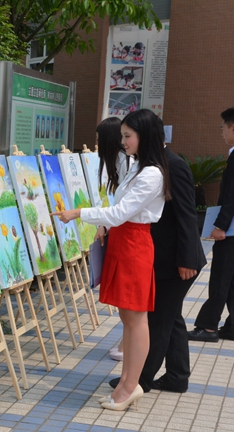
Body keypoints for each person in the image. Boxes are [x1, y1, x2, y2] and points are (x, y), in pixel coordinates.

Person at [53, 109, 169, 411]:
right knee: (128, 318)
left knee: (136, 318)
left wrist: (78, 213)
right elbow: (119, 211)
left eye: (128, 136)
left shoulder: (152, 173)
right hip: (124, 242)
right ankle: (125, 383)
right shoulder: (137, 166)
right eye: (122, 136)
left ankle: (131, 386)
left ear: (144, 136)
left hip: (134, 245)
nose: (123, 142)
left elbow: (120, 213)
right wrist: (103, 224)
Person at [110, 128, 207, 393]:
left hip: (176, 261)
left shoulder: (172, 165)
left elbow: (187, 214)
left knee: (159, 320)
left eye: (128, 136)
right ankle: (177, 376)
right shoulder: (148, 164)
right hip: (160, 257)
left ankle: (139, 381)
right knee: (171, 317)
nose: (124, 142)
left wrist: (187, 259)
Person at [188, 106, 234, 343]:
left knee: (220, 277)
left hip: (232, 230)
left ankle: (208, 327)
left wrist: (221, 227)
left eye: (223, 128)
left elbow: (232, 197)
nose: (222, 133)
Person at [95, 116, 131, 361]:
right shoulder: (119, 161)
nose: (97, 144)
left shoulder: (125, 162)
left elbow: (122, 208)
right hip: (120, 231)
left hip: (128, 236)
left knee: (127, 297)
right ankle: (126, 342)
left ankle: (128, 344)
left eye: (99, 138)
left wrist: (100, 221)